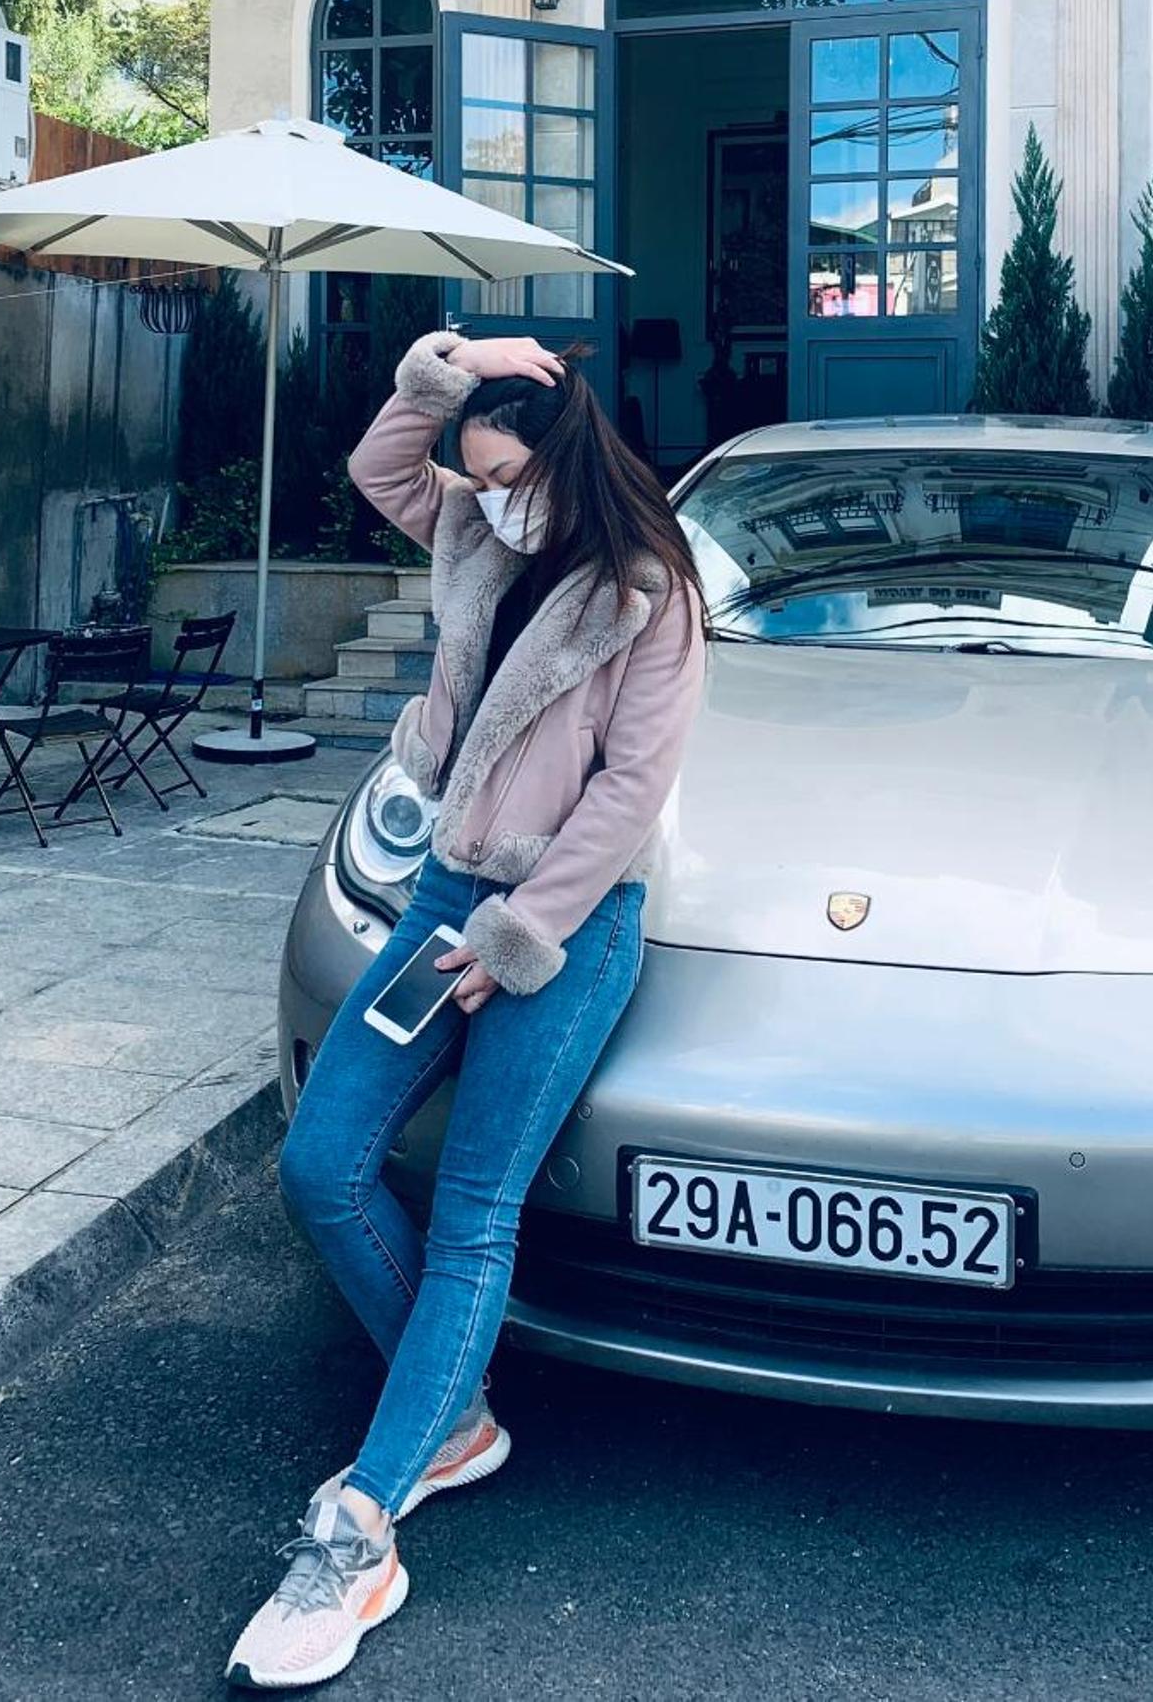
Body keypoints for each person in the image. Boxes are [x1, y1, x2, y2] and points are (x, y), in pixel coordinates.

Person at [228, 330, 707, 1691]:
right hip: (444, 889)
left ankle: (364, 1524)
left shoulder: (648, 588)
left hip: (566, 923)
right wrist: (451, 364)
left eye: (502, 474)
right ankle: (452, 1416)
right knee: (321, 1162)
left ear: (560, 458)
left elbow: (630, 791)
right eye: (476, 475)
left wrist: (522, 934)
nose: (483, 496)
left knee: (473, 1211)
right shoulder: (471, 529)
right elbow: (379, 466)